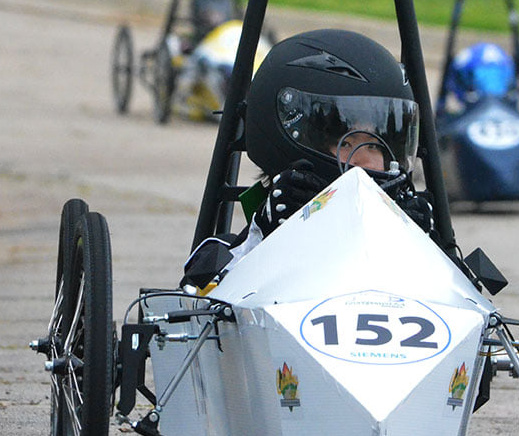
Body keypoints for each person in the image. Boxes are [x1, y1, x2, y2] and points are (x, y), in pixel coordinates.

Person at [181, 29, 438, 291]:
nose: (367, 162)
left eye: (374, 146)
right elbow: (201, 293)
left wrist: (419, 244)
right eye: (346, 143)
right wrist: (266, 237)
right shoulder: (225, 257)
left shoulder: (407, 250)